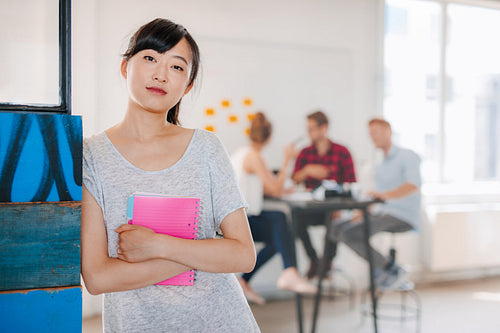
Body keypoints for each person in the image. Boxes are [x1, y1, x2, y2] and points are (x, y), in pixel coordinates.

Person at [81, 18, 260, 332]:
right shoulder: (91, 156)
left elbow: (243, 255)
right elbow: (98, 277)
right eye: (150, 58)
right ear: (125, 67)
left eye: (177, 67)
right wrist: (204, 252)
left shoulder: (206, 148)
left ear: (187, 85)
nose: (161, 74)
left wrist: (160, 245)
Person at [231, 112, 317, 305]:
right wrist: (287, 159)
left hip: (240, 217)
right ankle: (290, 272)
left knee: (280, 236)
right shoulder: (254, 157)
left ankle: (244, 280)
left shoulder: (241, 153)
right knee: (280, 219)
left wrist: (279, 189)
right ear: (268, 138)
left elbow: (264, 189)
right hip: (241, 222)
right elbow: (276, 190)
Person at [330, 118, 421, 289]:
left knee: (350, 234)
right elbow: (379, 197)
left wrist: (385, 196)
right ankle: (328, 269)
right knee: (336, 227)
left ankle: (390, 268)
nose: (372, 137)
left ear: (388, 130)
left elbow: (413, 185)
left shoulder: (407, 156)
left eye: (375, 132)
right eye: (370, 134)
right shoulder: (381, 165)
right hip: (381, 212)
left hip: (402, 214)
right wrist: (362, 212)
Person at [292, 111, 357, 279]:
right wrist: (307, 171)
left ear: (324, 128)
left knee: (334, 222)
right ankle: (314, 261)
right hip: (311, 209)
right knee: (296, 219)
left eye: (312, 128)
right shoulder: (305, 153)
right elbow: (294, 179)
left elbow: (351, 183)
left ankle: (325, 264)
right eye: (308, 129)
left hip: (334, 209)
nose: (309, 133)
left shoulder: (342, 152)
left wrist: (340, 207)